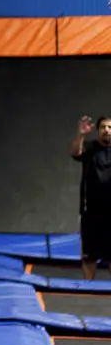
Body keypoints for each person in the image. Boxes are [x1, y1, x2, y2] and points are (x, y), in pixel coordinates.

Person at [70, 115, 111, 280]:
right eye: (103, 127)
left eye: (110, 127)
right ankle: (88, 287)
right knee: (89, 256)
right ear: (98, 130)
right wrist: (81, 134)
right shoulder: (89, 147)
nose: (107, 130)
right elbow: (75, 152)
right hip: (91, 211)